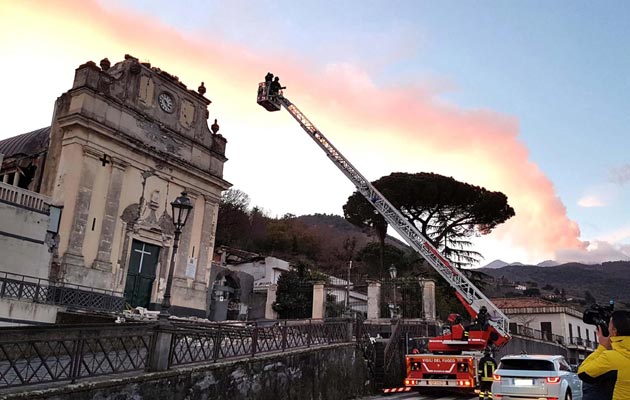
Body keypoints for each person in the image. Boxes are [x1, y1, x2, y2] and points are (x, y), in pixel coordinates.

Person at [578, 310, 630, 400]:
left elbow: (583, 373)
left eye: (609, 324)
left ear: (614, 331)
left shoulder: (611, 359)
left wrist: (602, 347)